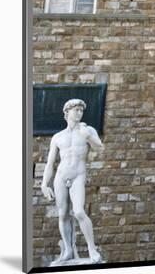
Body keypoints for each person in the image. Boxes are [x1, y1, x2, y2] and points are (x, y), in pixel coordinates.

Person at [41, 99, 104, 264]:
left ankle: (92, 248)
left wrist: (89, 137)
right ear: (66, 113)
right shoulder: (58, 137)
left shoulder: (87, 130)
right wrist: (44, 184)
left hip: (78, 175)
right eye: (75, 110)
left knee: (78, 212)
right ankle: (68, 250)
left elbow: (100, 147)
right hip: (61, 177)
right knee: (62, 215)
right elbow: (50, 163)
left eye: (80, 110)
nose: (78, 113)